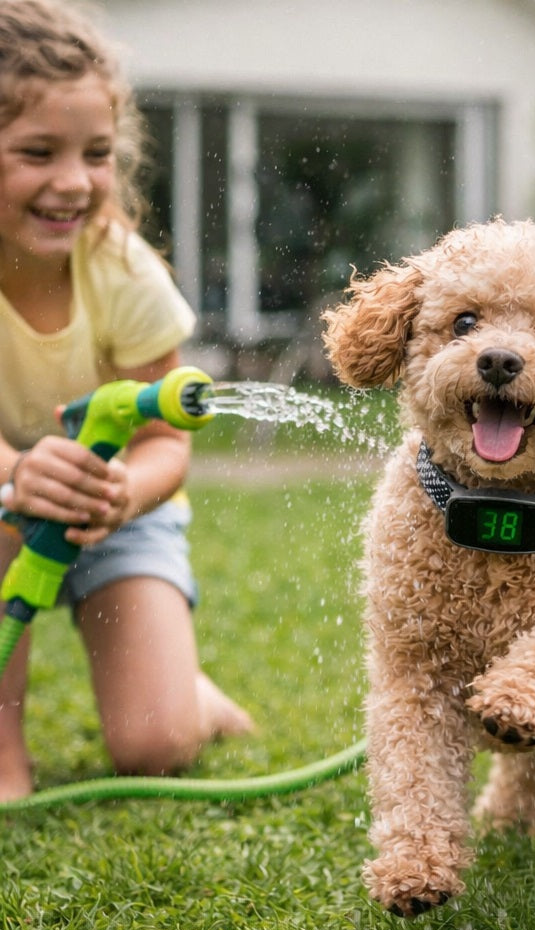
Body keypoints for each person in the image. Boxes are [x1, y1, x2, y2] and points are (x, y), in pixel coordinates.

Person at [0, 0, 253, 802]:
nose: (73, 181)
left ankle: (191, 701)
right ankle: (4, 756)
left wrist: (121, 494)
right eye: (37, 152)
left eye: (97, 153)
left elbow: (167, 444)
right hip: (3, 504)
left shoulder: (122, 268)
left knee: (153, 746)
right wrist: (15, 476)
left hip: (117, 514)